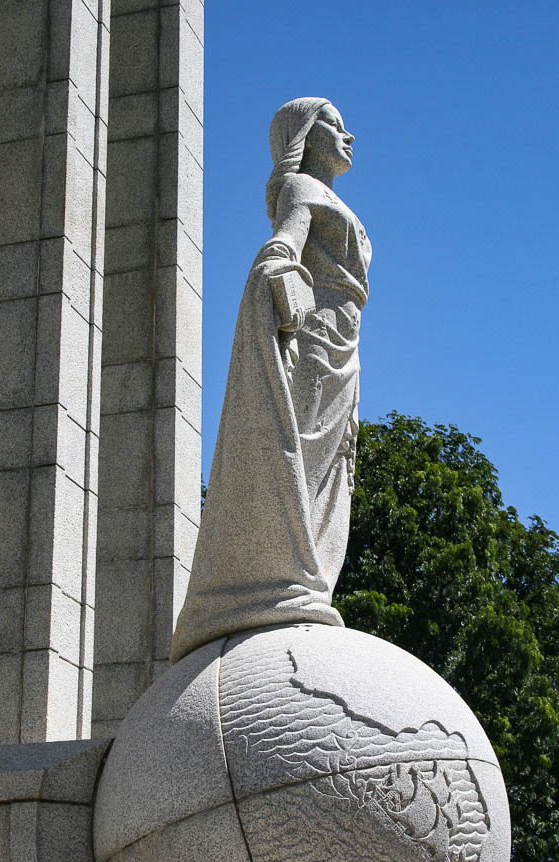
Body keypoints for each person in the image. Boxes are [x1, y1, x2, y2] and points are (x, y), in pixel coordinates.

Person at [171, 98, 372, 663]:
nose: (349, 135)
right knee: (298, 456)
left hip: (345, 348)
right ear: (304, 137)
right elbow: (285, 241)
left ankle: (312, 585)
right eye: (336, 125)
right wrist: (279, 273)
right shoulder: (301, 190)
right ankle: (279, 579)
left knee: (333, 468)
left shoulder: (330, 194)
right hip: (310, 336)